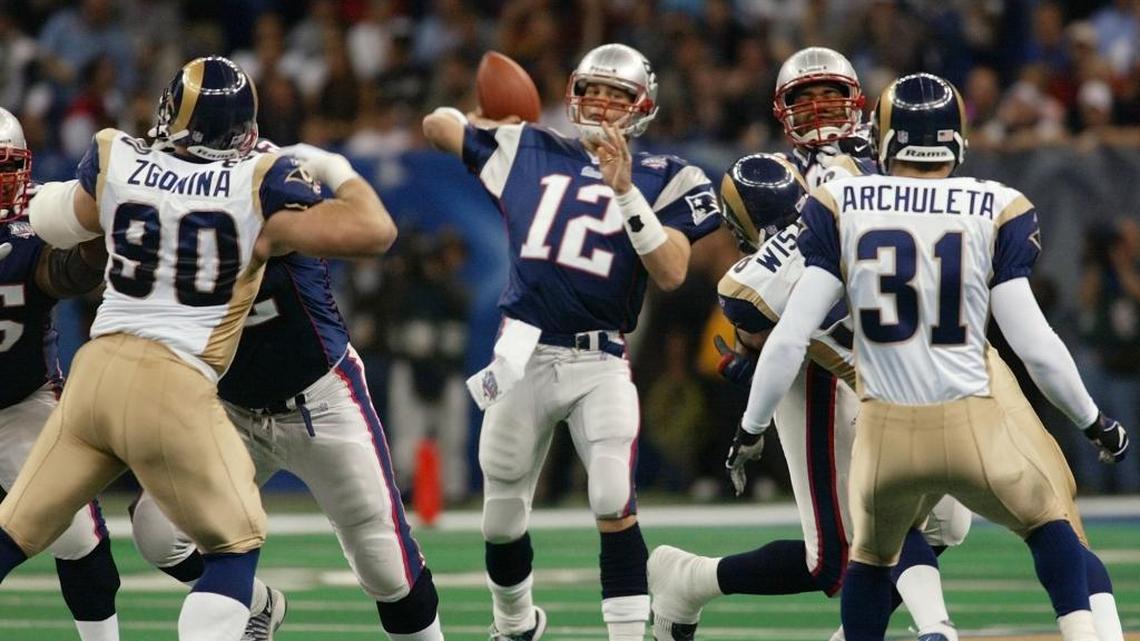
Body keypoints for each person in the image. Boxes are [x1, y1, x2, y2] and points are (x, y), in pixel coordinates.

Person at [0, 56, 396, 641]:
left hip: (93, 376)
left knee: (14, 533)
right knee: (235, 546)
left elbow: (57, 225)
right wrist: (334, 166)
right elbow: (375, 231)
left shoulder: (119, 155)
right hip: (173, 382)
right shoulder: (259, 181)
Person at [739, 72, 1129, 641]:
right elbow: (1037, 346)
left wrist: (750, 428)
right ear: (958, 136)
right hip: (972, 419)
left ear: (884, 137)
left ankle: (929, 627)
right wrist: (1095, 422)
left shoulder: (840, 202)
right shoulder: (995, 205)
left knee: (872, 563)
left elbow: (790, 337)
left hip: (885, 434)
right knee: (1051, 525)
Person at [650, 48, 968, 641]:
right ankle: (691, 582)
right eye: (803, 99)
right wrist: (756, 350)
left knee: (948, 521)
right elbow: (751, 292)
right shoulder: (777, 177)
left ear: (857, 103)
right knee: (839, 554)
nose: (818, 109)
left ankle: (689, 579)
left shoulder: (895, 159)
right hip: (820, 365)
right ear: (782, 110)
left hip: (900, 359)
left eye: (829, 96)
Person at [422, 43, 721, 641]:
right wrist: (495, 118)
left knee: (612, 494)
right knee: (501, 513)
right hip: (523, 352)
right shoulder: (528, 148)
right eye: (594, 90)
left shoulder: (670, 176)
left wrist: (626, 192)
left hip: (599, 357)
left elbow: (670, 271)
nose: (603, 104)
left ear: (643, 106)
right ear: (572, 94)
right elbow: (439, 124)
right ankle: (515, 623)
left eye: (618, 94)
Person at [128, 140, 445, 641]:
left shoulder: (273, 187)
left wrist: (334, 169)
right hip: (228, 410)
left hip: (318, 400)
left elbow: (374, 232)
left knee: (387, 569)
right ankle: (258, 604)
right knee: (157, 532)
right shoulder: (162, 204)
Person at [0, 107, 122, 641]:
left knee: (76, 537)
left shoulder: (43, 213)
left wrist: (95, 243)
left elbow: (68, 274)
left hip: (22, 402)